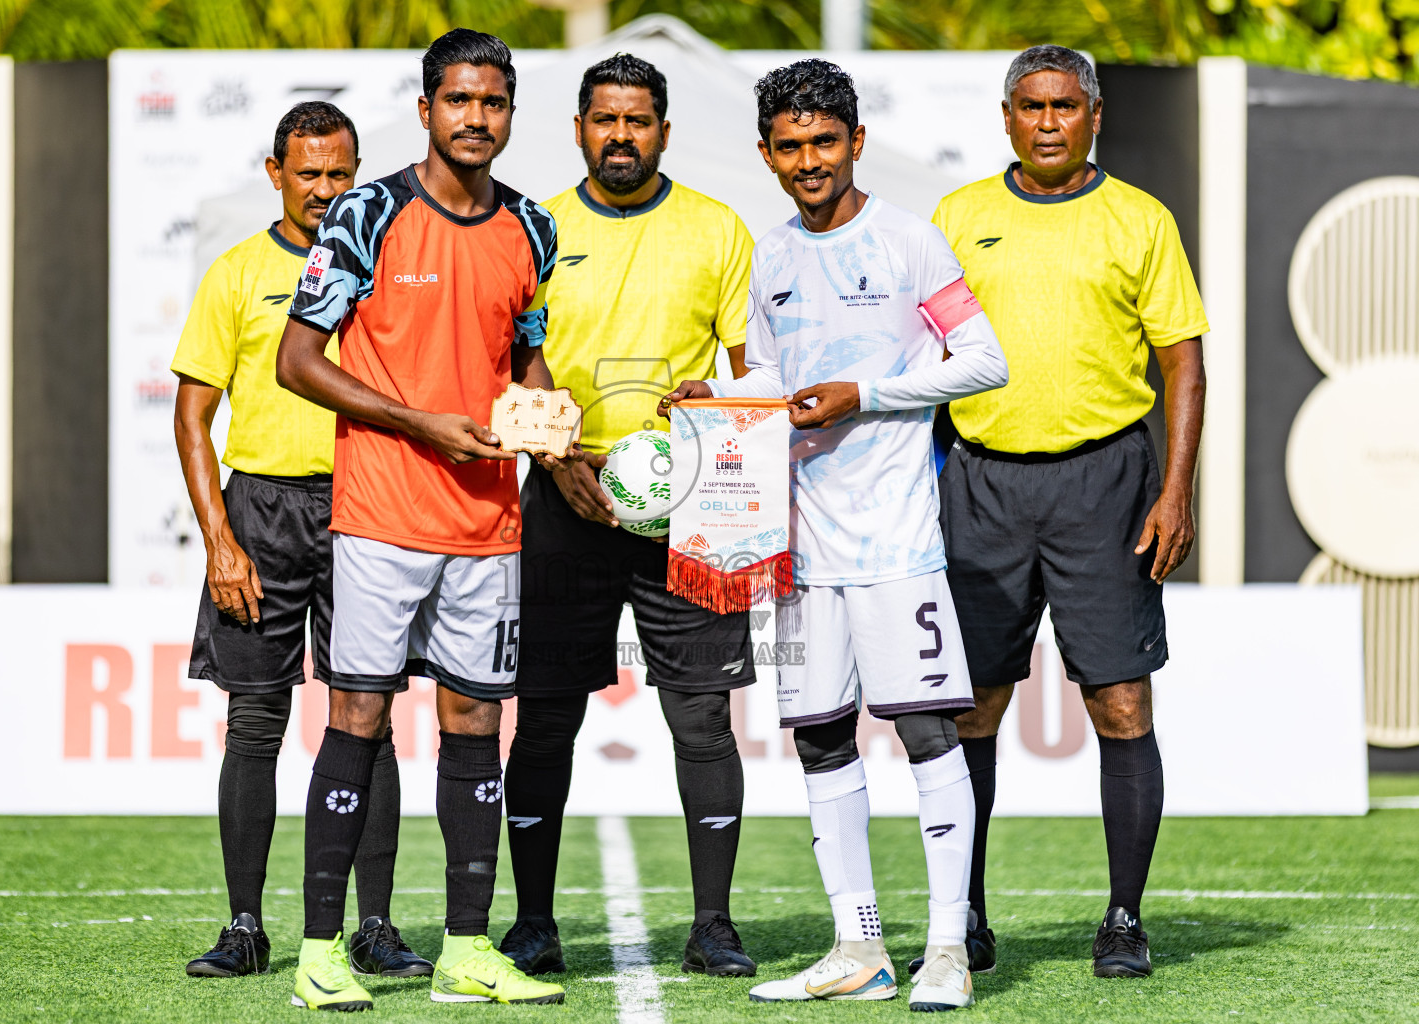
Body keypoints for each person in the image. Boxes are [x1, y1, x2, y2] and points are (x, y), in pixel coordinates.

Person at [663, 60, 1008, 1011]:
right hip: (794, 558)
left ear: (856, 142)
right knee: (818, 739)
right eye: (790, 146)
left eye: (824, 142)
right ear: (767, 154)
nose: (808, 161)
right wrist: (717, 398)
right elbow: (772, 385)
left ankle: (946, 948)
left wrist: (873, 394)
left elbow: (985, 360)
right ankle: (859, 948)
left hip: (896, 545)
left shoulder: (912, 244)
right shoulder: (767, 258)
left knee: (928, 730)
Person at [276, 29, 579, 1011]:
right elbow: (298, 360)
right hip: (380, 514)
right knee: (359, 712)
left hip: (489, 522)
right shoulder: (366, 213)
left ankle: (464, 947)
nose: (476, 118)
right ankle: (322, 950)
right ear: (426, 110)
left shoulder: (531, 227)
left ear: (509, 113)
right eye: (458, 101)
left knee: (474, 722)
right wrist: (417, 422)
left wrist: (549, 419)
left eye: (493, 103)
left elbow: (521, 358)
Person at [929, 44, 1207, 980]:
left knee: (1120, 703)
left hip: (1107, 485)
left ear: (1095, 114)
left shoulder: (1139, 219)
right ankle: (962, 914)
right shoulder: (959, 217)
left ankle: (1124, 918)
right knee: (972, 708)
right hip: (982, 483)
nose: (1048, 121)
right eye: (1031, 105)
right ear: (1006, 117)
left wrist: (1176, 488)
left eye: (1065, 105)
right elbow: (916, 364)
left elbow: (1183, 364)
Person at [498, 53, 760, 980]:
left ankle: (714, 926)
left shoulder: (718, 229)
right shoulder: (534, 226)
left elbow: (746, 369)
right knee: (544, 718)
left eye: (637, 121)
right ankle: (532, 923)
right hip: (563, 496)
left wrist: (714, 402)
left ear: (663, 130)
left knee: (703, 719)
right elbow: (510, 354)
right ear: (577, 128)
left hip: (688, 507)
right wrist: (556, 451)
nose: (620, 136)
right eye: (603, 120)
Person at [171, 101, 430, 982]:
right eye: (308, 173)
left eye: (339, 174)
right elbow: (193, 416)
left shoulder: (388, 263)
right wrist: (220, 540)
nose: (325, 191)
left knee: (370, 721)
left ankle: (377, 927)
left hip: (368, 505)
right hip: (261, 514)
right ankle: (245, 925)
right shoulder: (237, 271)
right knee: (255, 721)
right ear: (274, 172)